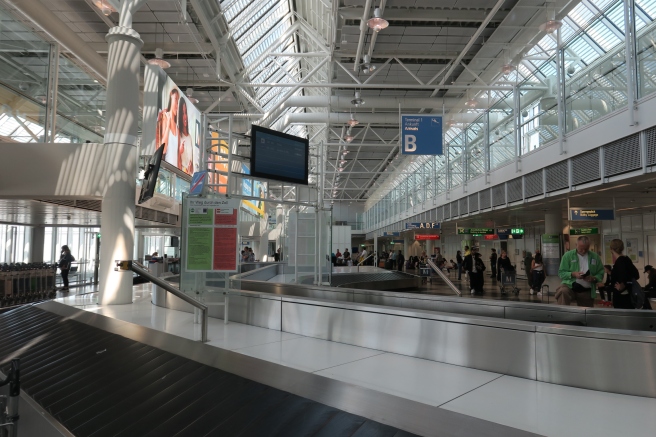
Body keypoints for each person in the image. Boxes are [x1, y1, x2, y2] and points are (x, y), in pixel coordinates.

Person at [556, 236, 604, 307]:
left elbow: (600, 273)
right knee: (563, 291)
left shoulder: (595, 257)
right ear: (576, 245)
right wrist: (573, 274)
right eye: (581, 249)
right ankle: (563, 314)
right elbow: (561, 273)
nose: (584, 251)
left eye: (586, 249)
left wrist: (594, 278)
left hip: (586, 289)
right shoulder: (567, 256)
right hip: (569, 286)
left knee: (586, 312)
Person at [609, 239, 640, 309]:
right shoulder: (626, 259)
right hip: (629, 293)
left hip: (621, 295)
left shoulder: (619, 262)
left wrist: (623, 285)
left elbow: (622, 276)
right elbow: (636, 275)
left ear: (611, 249)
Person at [157, 88, 180, 167]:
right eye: (175, 99)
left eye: (178, 100)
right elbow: (163, 149)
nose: (177, 104)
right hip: (166, 170)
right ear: (171, 98)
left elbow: (178, 156)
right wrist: (168, 123)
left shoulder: (177, 129)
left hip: (175, 172)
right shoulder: (165, 118)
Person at [177, 98, 193, 174]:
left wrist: (190, 167)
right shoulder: (179, 136)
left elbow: (192, 167)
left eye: (185, 112)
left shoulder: (190, 137)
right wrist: (180, 152)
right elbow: (177, 163)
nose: (185, 117)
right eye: (182, 113)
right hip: (181, 176)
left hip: (189, 177)